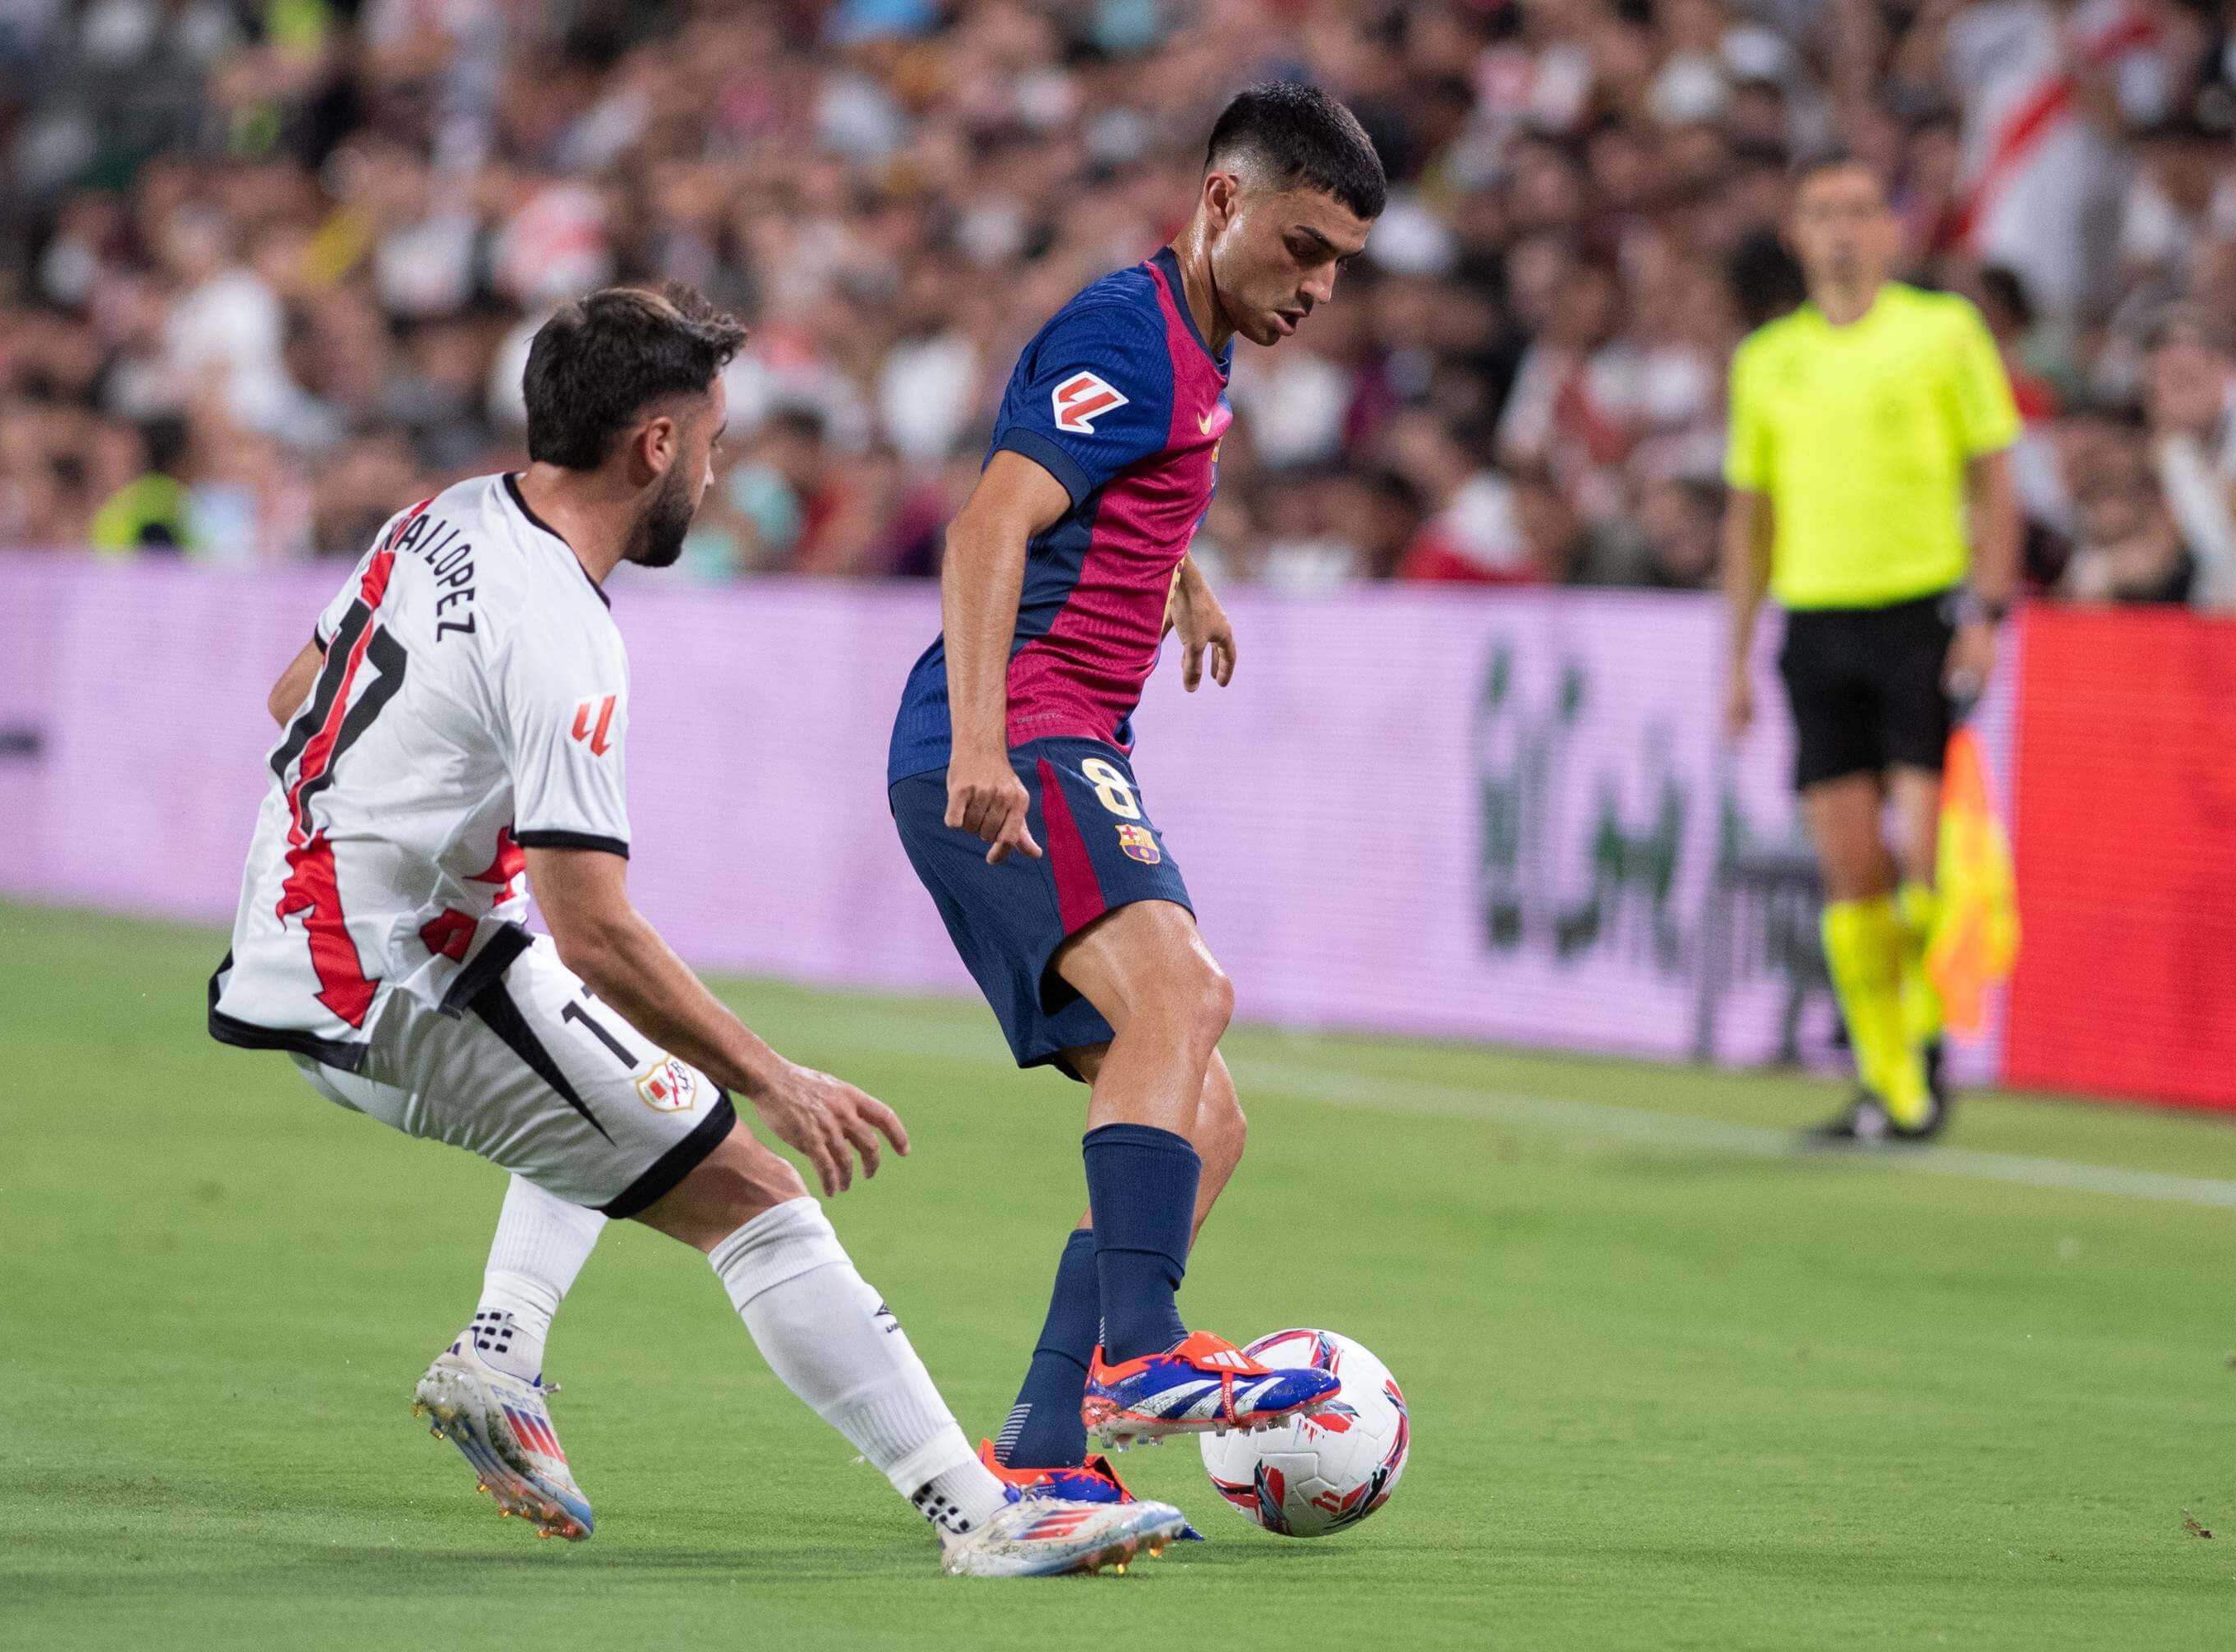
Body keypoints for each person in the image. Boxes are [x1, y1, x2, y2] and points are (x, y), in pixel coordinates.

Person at [204, 284, 1183, 1578]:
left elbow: (295, 695)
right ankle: (984, 1517)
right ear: (655, 444)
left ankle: (503, 1352)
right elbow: (597, 931)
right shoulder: (561, 631)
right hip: (391, 978)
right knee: (754, 1194)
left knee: (611, 1072)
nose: (716, 475)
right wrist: (778, 1079)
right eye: (712, 442)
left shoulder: (438, 517)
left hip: (301, 925)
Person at [883, 84, 1381, 1496]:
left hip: (1055, 735)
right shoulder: (1129, 333)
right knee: (1186, 995)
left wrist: (1181, 572)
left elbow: (1105, 482)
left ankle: (1044, 1454)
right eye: (1302, 247)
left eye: (1340, 263)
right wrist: (984, 744)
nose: (1319, 288)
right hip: (1022, 734)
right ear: (1222, 201)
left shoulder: (1193, 350)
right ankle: (1141, 1352)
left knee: (1204, 1123)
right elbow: (989, 526)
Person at [1720, 153, 2022, 1144]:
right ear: (1797, 234)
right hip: (1816, 623)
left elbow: (1994, 482)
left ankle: (1923, 1049)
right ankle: (1891, 1083)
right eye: (1823, 212)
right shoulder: (1767, 360)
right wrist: (1736, 660)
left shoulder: (1944, 332)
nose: (1842, 229)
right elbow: (1750, 520)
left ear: (1892, 230)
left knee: (1926, 854)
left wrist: (1987, 610)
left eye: (1859, 210)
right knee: (1852, 868)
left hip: (1919, 615)